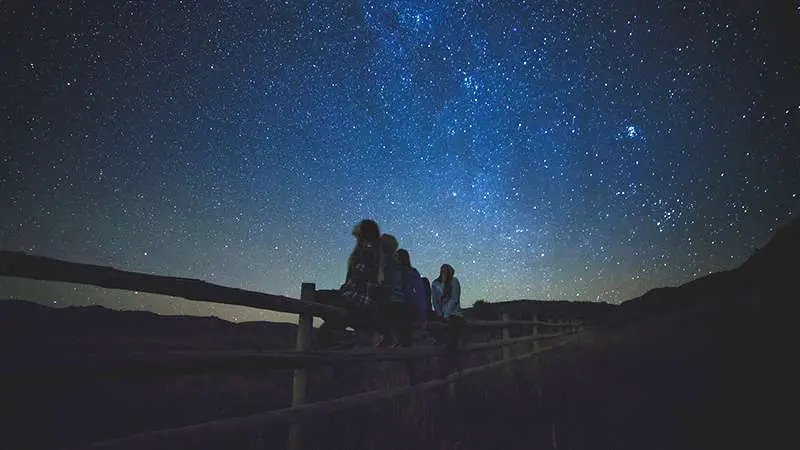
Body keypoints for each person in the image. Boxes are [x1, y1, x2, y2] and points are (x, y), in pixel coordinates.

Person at [317, 219, 383, 346]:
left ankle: (340, 323)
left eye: (360, 225)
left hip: (357, 298)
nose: (355, 226)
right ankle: (339, 324)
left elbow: (358, 278)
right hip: (362, 298)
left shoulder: (365, 249)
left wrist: (343, 291)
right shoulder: (373, 249)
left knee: (317, 296)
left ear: (364, 231)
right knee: (330, 318)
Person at [374, 233, 405, 347]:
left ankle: (388, 340)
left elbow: (387, 281)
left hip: (390, 299)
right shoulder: (395, 260)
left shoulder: (387, 260)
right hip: (396, 299)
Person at [430, 263, 465, 349]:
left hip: (454, 314)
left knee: (452, 341)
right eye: (442, 271)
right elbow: (435, 300)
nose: (444, 272)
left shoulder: (454, 281)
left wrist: (446, 314)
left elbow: (454, 298)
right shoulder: (436, 283)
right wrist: (439, 313)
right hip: (442, 314)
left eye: (446, 271)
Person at [397, 249, 427, 344]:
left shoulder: (402, 273)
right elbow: (419, 295)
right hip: (411, 309)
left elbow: (416, 294)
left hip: (404, 309)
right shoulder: (412, 272)